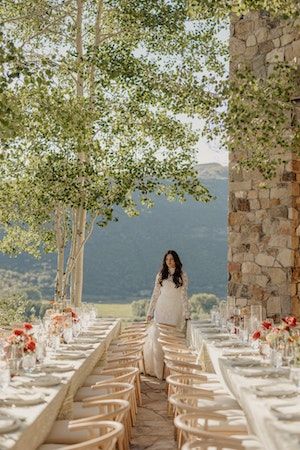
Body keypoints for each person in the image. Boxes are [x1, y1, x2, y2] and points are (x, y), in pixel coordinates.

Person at [144, 250, 190, 379]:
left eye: (171, 259)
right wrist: (150, 312)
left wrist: (187, 312)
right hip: (161, 309)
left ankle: (172, 372)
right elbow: (155, 294)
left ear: (176, 260)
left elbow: (184, 295)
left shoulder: (182, 275)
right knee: (158, 341)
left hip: (175, 310)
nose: (169, 261)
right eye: (167, 259)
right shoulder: (160, 275)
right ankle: (159, 372)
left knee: (173, 342)